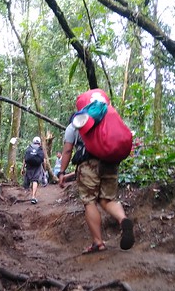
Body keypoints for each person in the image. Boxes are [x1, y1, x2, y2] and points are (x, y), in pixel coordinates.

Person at [58, 99, 135, 254]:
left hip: (88, 164)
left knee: (90, 202)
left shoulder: (74, 126)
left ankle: (98, 243)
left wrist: (62, 172)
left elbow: (67, 151)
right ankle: (122, 219)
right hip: (110, 162)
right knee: (107, 200)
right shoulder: (104, 122)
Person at [22, 136, 45, 204]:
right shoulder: (40, 149)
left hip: (29, 166)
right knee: (35, 180)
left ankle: (26, 191)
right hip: (37, 166)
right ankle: (33, 196)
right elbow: (44, 160)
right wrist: (45, 168)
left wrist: (22, 168)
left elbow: (25, 159)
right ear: (39, 143)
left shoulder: (29, 148)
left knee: (29, 178)